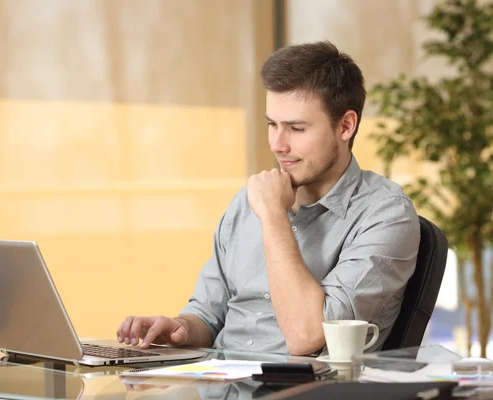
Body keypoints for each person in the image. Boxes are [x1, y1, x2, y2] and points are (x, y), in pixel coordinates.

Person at [116, 41, 420, 356]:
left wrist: (273, 216)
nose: (277, 144)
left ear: (345, 126)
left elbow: (307, 336)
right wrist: (181, 328)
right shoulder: (246, 201)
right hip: (221, 384)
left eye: (296, 128)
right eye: (272, 124)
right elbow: (209, 314)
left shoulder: (385, 214)